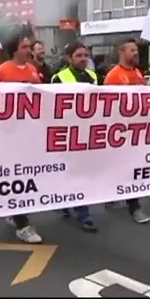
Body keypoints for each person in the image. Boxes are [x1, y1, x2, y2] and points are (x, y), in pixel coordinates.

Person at [0, 34, 44, 244]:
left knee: (27, 174)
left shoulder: (32, 69)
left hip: (29, 131)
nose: (29, 50)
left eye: (30, 47)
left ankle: (14, 212)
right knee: (16, 176)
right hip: (9, 132)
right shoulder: (1, 71)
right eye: (24, 47)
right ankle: (23, 225)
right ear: (14, 50)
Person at [101, 38, 150, 222]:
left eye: (136, 50)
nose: (136, 53)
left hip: (137, 130)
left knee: (133, 168)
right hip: (121, 132)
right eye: (132, 50)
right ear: (121, 52)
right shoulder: (114, 76)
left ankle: (130, 203)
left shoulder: (138, 73)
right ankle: (127, 203)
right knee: (123, 167)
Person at [50, 42, 100, 232]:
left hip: (87, 133)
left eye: (85, 55)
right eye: (78, 55)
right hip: (67, 133)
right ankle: (80, 212)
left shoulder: (92, 76)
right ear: (69, 58)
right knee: (71, 172)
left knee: (81, 173)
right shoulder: (58, 78)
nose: (83, 59)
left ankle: (76, 208)